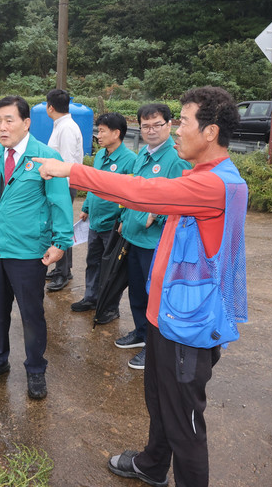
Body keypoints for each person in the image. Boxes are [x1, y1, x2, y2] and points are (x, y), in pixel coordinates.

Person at [33, 86, 247, 487]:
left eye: (183, 122)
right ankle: (152, 465)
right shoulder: (200, 176)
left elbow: (143, 192)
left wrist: (72, 171)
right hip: (168, 317)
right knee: (160, 401)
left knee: (185, 425)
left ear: (211, 132)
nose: (176, 129)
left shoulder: (216, 185)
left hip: (188, 328)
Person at [0, 95, 74, 399]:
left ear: (26, 123)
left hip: (29, 251)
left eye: (9, 120)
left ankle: (35, 369)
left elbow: (60, 201)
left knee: (31, 314)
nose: (2, 127)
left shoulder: (45, 156)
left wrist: (61, 242)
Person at [116, 104, 191, 370]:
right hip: (134, 237)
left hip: (155, 242)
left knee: (155, 296)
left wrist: (154, 217)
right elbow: (133, 190)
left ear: (169, 125)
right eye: (145, 126)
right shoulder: (143, 154)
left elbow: (180, 197)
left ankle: (154, 347)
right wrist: (125, 219)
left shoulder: (175, 158)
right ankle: (141, 332)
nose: (150, 131)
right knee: (137, 292)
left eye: (156, 124)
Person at [70, 112, 136, 322]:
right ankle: (91, 298)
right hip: (95, 221)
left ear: (116, 133)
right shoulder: (100, 155)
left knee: (112, 268)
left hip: (114, 224)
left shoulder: (130, 160)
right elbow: (93, 185)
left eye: (102, 131)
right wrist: (86, 207)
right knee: (93, 262)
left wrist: (124, 218)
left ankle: (109, 307)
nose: (98, 135)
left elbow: (132, 194)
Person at [43, 89, 84, 292]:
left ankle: (63, 273)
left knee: (61, 228)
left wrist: (62, 193)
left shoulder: (66, 128)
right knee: (59, 227)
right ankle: (62, 269)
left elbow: (67, 162)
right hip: (61, 185)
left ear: (50, 107)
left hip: (64, 186)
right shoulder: (61, 125)